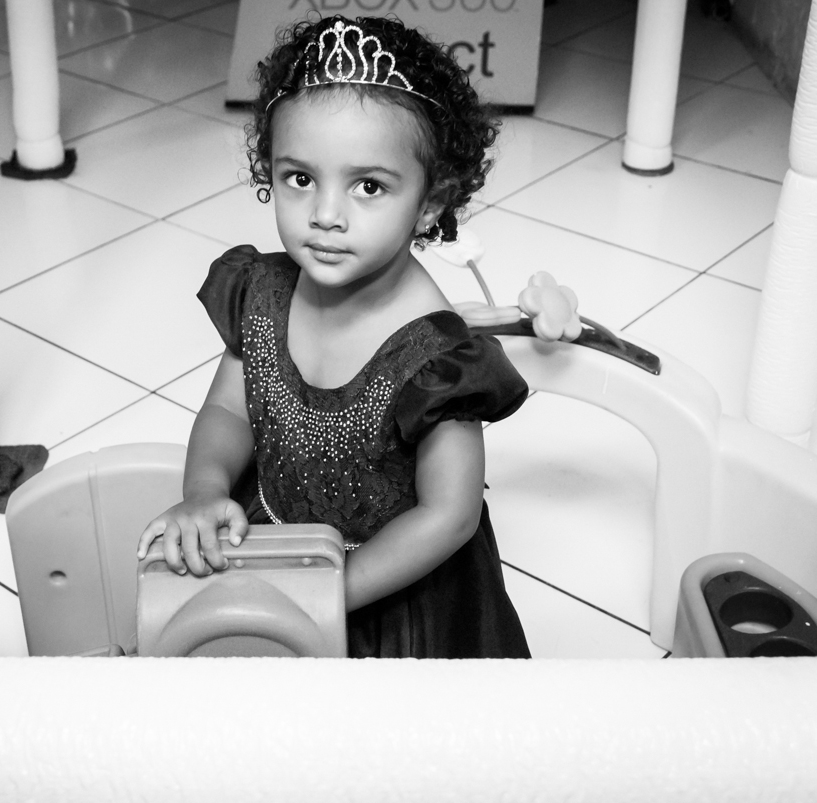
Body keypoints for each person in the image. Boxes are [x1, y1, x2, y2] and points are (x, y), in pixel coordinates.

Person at [136, 14, 531, 659]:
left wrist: (326, 596)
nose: (324, 215)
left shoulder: (437, 358)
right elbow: (228, 411)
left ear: (430, 204)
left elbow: (449, 515)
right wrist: (205, 494)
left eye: (368, 186)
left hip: (388, 590)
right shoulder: (261, 292)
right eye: (300, 178)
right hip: (277, 545)